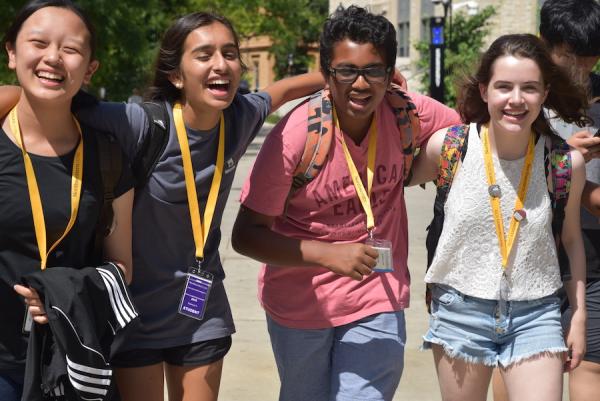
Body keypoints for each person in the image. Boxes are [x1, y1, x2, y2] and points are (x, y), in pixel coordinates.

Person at [0, 11, 323, 401]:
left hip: (201, 311)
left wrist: (349, 74)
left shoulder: (240, 116)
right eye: (204, 55)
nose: (221, 64)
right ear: (175, 75)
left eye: (230, 53)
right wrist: (23, 87)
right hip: (134, 315)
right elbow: (50, 96)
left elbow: (284, 90)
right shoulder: (139, 124)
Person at [231, 6, 460, 401]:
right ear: (327, 73)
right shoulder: (297, 135)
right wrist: (326, 254)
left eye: (374, 71)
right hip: (301, 303)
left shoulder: (405, 112)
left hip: (378, 294)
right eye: (346, 71)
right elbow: (245, 237)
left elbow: (461, 138)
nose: (360, 84)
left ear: (389, 75)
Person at [410, 33, 588, 401]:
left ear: (545, 93)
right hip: (460, 308)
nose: (516, 100)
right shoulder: (449, 147)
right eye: (504, 87)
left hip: (536, 312)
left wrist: (579, 316)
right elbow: (389, 181)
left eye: (530, 88)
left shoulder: (565, 163)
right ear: (485, 90)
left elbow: (571, 239)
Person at [0, 1, 134, 400]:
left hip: (75, 362)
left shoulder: (107, 156)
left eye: (71, 49)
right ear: (11, 53)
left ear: (90, 69)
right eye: (38, 43)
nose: (53, 58)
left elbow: (124, 266)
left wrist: (67, 291)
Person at [491, 2, 600, 400]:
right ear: (545, 45)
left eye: (590, 62)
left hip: (589, 254)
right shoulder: (521, 99)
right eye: (570, 59)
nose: (581, 73)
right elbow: (495, 169)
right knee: (518, 362)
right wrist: (563, 161)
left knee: (587, 364)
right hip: (525, 252)